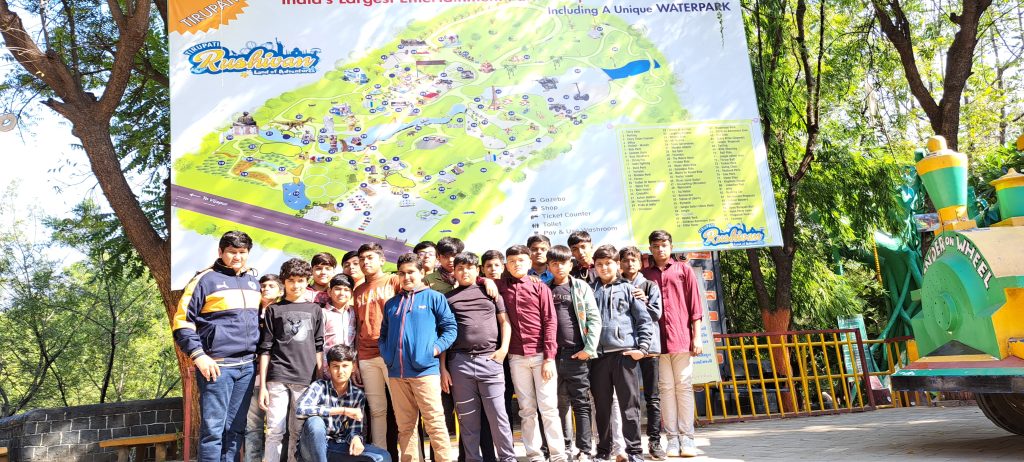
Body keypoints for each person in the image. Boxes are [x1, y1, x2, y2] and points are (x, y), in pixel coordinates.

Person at [173, 231, 262, 462]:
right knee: (213, 431)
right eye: (232, 252)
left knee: (235, 430)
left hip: (247, 367)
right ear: (220, 252)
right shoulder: (205, 280)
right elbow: (182, 322)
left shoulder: (253, 282)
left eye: (242, 252)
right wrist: (199, 355)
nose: (237, 257)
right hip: (217, 367)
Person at [378, 253, 458, 462]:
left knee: (435, 423)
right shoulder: (391, 304)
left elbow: (450, 329)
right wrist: (388, 355)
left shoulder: (434, 298)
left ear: (422, 272)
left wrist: (434, 349)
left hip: (425, 372)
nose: (406, 277)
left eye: (411, 272)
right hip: (397, 374)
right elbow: (383, 335)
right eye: (402, 273)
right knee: (405, 426)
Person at [441, 251, 516, 462]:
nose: (465, 272)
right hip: (459, 364)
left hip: (490, 361)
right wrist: (443, 368)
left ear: (477, 270)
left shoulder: (491, 292)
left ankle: (508, 459)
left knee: (499, 416)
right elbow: (444, 333)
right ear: (454, 272)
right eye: (460, 268)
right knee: (467, 421)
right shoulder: (447, 299)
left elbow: (505, 322)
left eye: (469, 268)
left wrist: (503, 350)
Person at [497, 245, 567, 462]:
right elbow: (480, 281)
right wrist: (485, 281)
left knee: (549, 408)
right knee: (526, 409)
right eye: (512, 261)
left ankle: (558, 454)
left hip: (541, 356)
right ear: (506, 265)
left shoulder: (540, 287)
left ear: (529, 263)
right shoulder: (501, 287)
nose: (516, 264)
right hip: (516, 357)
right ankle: (534, 454)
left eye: (521, 260)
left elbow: (550, 321)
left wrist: (549, 358)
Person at [640, 231, 704, 458]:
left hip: (682, 338)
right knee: (665, 388)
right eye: (655, 245)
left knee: (684, 386)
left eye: (664, 245)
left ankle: (688, 438)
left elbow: (695, 307)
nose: (660, 249)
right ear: (650, 248)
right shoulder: (644, 275)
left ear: (671, 246)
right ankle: (672, 439)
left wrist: (697, 337)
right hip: (656, 342)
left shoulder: (683, 270)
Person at [589, 245, 653, 462]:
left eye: (608, 263)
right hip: (598, 357)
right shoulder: (589, 291)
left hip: (625, 356)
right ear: (594, 267)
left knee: (629, 406)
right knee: (602, 407)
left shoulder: (629, 289)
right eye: (599, 264)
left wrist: (642, 349)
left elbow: (644, 320)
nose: (604, 268)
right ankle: (603, 451)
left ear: (617, 264)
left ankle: (634, 451)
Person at [259, 258, 326, 462]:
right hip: (277, 376)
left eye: (300, 280)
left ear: (307, 281)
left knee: (298, 431)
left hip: (306, 377)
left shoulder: (315, 309)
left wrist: (319, 379)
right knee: (274, 430)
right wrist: (263, 386)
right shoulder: (274, 310)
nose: (296, 285)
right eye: (291, 280)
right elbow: (265, 349)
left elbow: (319, 346)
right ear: (284, 282)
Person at [547, 245, 601, 462]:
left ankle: (584, 449)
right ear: (549, 266)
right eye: (554, 263)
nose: (559, 267)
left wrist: (588, 349)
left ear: (571, 265)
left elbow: (594, 318)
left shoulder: (580, 286)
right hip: (552, 356)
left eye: (563, 263)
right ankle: (564, 447)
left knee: (581, 403)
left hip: (576, 354)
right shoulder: (544, 288)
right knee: (557, 404)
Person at [297, 344, 393, 462]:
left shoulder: (357, 395)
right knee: (315, 422)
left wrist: (356, 438)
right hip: (310, 449)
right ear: (329, 368)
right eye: (335, 366)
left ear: (353, 367)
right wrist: (343, 410)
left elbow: (354, 428)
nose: (340, 371)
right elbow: (300, 410)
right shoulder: (319, 387)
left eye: (345, 366)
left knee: (383, 456)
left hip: (336, 446)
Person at [352, 243, 403, 460]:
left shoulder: (394, 281)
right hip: (366, 356)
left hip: (391, 353)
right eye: (362, 259)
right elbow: (357, 326)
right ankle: (381, 457)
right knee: (376, 411)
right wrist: (355, 360)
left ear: (382, 260)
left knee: (402, 410)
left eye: (370, 258)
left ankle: (411, 456)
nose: (365, 262)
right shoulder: (358, 290)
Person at [618, 246, 665, 460]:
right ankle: (631, 444)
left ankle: (655, 442)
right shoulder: (616, 285)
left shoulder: (649, 285)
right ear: (619, 263)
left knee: (652, 397)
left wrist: (643, 300)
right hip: (626, 347)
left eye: (633, 260)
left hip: (649, 347)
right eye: (625, 260)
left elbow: (656, 314)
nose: (629, 264)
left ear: (640, 262)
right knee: (629, 398)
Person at [245, 274, 282, 462]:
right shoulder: (249, 312)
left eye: (271, 286)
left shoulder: (284, 312)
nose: (265, 289)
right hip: (253, 377)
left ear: (280, 291)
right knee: (253, 427)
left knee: (278, 427)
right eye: (263, 286)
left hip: (278, 377)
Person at [323, 274, 358, 376]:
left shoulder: (353, 312)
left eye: (346, 290)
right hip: (328, 367)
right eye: (337, 289)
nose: (342, 293)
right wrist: (322, 369)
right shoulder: (322, 313)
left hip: (348, 368)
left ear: (351, 293)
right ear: (329, 292)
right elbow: (318, 344)